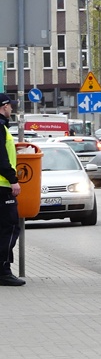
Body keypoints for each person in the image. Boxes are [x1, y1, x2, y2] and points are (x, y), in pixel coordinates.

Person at [0, 93, 25, 286]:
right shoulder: (0, 127)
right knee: (9, 228)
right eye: (10, 105)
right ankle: (3, 270)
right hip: (2, 187)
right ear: (3, 106)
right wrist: (13, 179)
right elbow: (1, 158)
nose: (11, 109)